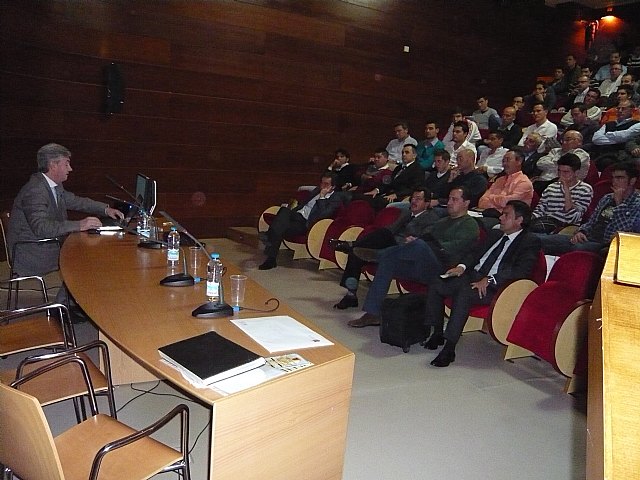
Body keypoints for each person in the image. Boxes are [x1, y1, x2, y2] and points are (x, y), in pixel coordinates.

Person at [424, 200, 541, 367]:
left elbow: (521, 271)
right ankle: (437, 332)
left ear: (519, 220)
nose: (501, 218)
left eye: (506, 215)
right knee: (437, 282)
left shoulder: (529, 241)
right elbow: (473, 253)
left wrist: (491, 279)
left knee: (463, 293)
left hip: (496, 287)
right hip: (472, 275)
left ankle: (449, 347)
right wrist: (461, 267)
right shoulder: (495, 234)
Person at [8, 143, 125, 309]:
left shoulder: (51, 185)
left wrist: (105, 209)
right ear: (53, 165)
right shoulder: (35, 190)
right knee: (83, 259)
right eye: (66, 164)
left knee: (85, 254)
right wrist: (79, 224)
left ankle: (70, 303)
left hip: (44, 245)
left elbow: (75, 201)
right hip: (31, 252)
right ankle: (62, 307)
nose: (70, 169)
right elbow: (41, 228)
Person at [347, 186, 480, 328]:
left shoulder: (470, 225)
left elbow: (449, 249)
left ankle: (378, 255)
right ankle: (372, 313)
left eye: (454, 199)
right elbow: (427, 237)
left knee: (419, 246)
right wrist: (415, 241)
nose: (449, 202)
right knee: (389, 262)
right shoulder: (443, 221)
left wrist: (421, 243)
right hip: (423, 263)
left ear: (466, 203)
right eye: (449, 199)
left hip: (443, 269)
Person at [331, 188, 440, 310]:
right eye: (412, 198)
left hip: (405, 249)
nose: (413, 201)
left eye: (418, 199)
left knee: (378, 236)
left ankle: (352, 245)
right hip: (390, 244)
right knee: (358, 253)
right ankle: (350, 295)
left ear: (427, 203)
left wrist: (412, 240)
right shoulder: (406, 213)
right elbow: (391, 229)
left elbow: (425, 240)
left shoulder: (431, 218)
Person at [539, 161, 640, 256]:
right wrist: (581, 232)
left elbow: (626, 233)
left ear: (632, 180)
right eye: (613, 178)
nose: (614, 181)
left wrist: (618, 204)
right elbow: (591, 222)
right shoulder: (607, 198)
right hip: (589, 238)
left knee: (577, 248)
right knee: (538, 240)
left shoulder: (637, 203)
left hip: (607, 245)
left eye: (620, 178)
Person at [259, 172, 348, 270]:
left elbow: (323, 215)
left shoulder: (335, 198)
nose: (322, 186)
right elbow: (304, 191)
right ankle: (270, 256)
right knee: (284, 211)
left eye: (326, 184)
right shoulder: (316, 190)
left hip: (306, 223)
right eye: (321, 183)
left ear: (333, 186)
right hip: (297, 215)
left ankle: (270, 246)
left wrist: (322, 197)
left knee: (279, 228)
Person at [530, 153, 594, 234]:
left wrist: (566, 189)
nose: (561, 175)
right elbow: (540, 210)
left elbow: (572, 218)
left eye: (566, 172)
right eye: (559, 171)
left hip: (567, 228)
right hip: (545, 222)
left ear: (576, 173)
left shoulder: (585, 189)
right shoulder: (551, 187)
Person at [363, 144, 424, 210]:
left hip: (401, 196)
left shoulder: (418, 169)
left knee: (377, 202)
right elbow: (388, 182)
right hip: (388, 193)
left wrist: (396, 195)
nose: (403, 155)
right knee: (365, 197)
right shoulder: (398, 168)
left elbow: (414, 188)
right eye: (402, 152)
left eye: (407, 152)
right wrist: (377, 190)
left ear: (414, 155)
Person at [478, 149, 533, 216]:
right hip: (490, 214)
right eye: (503, 161)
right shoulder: (500, 180)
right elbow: (482, 202)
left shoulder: (524, 182)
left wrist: (491, 198)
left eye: (507, 160)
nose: (504, 164)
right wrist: (499, 202)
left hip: (511, 221)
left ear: (519, 161)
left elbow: (507, 203)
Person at [592, 103, 640, 170]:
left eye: (623, 109)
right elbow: (596, 139)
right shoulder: (608, 124)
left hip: (619, 154)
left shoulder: (637, 124)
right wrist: (617, 139)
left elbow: (625, 136)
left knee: (606, 162)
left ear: (632, 110)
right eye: (618, 108)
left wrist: (608, 134)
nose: (620, 111)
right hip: (602, 151)